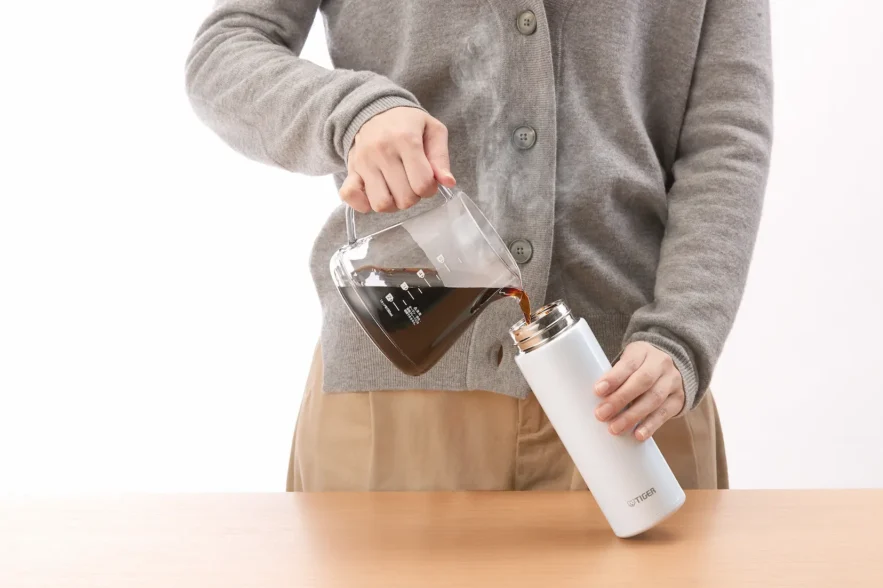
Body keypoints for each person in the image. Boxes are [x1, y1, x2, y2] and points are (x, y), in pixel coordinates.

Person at [185, 1, 772, 492]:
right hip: (396, 401)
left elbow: (727, 133)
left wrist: (683, 333)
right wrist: (352, 112)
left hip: (634, 392)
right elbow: (227, 49)